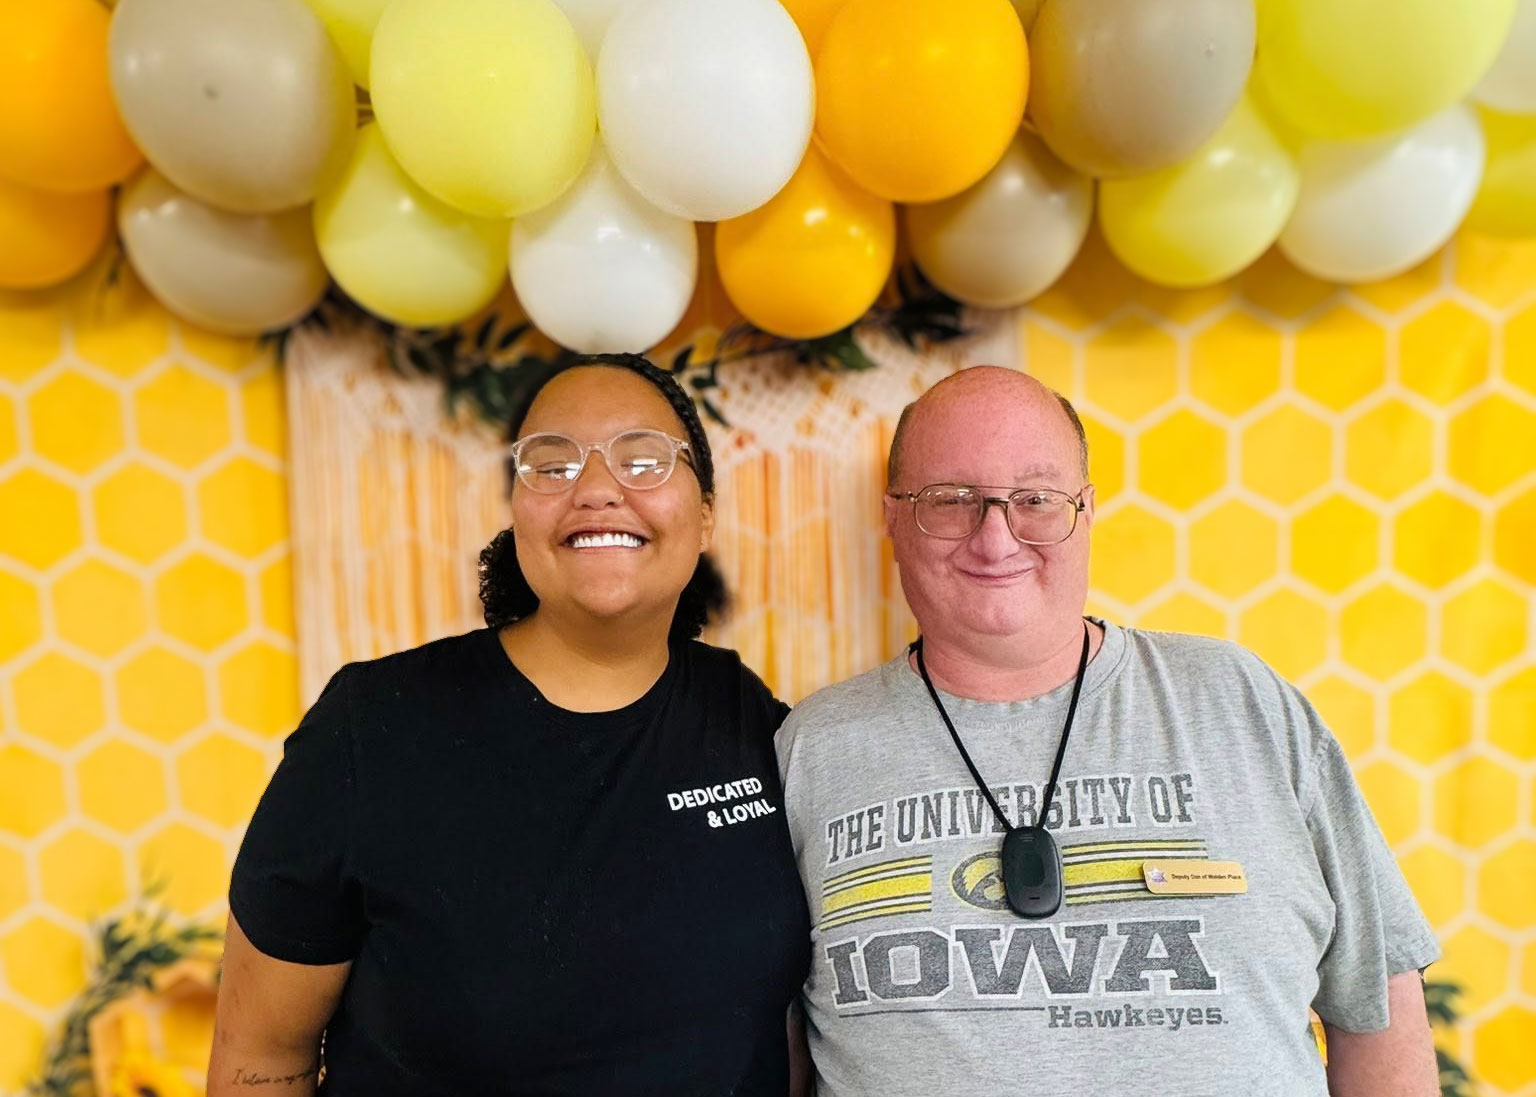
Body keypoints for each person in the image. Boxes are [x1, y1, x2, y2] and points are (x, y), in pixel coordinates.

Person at [776, 366, 1440, 1097]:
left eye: (1035, 499)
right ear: (894, 518)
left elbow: (1379, 1005)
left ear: (1086, 511)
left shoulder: (1244, 703)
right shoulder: (810, 751)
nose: (995, 538)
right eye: (951, 500)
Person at [212, 353, 811, 1096]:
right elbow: (261, 1060)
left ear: (705, 510)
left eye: (644, 459)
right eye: (551, 465)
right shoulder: (373, 728)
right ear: (517, 510)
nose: (596, 489)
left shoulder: (753, 719)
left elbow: (777, 1029)